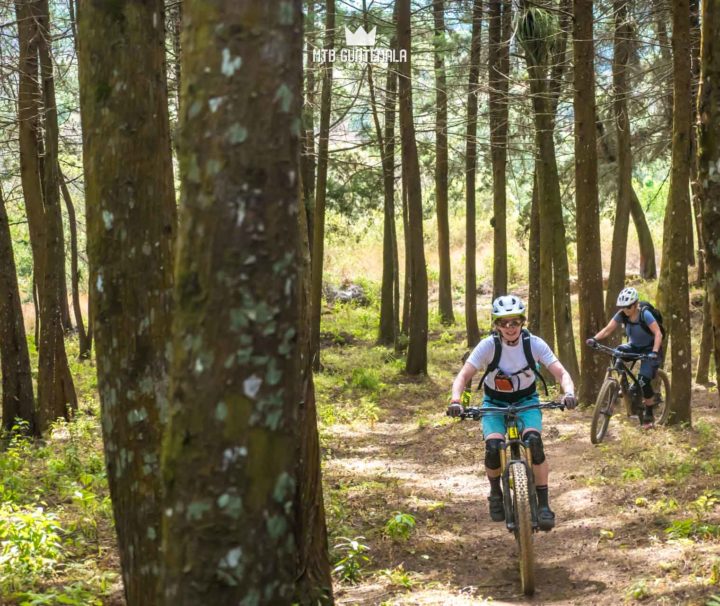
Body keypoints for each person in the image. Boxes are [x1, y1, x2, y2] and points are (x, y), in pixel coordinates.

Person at [448, 295, 577, 531]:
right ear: (496, 325)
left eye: (514, 322)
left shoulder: (534, 343)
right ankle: (495, 492)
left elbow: (561, 373)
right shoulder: (488, 346)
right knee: (493, 448)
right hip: (494, 403)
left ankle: (544, 505)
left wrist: (568, 393)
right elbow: (464, 376)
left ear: (522, 322)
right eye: (503, 322)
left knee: (535, 443)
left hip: (527, 400)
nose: (509, 328)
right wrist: (456, 400)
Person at [586, 286, 663, 427]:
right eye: (622, 307)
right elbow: (608, 329)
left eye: (628, 306)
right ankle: (624, 386)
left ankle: (649, 412)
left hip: (650, 350)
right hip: (634, 346)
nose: (625, 309)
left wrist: (655, 352)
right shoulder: (622, 314)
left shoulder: (645, 314)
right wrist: (595, 339)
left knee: (643, 381)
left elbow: (658, 333)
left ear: (635, 304)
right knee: (617, 353)